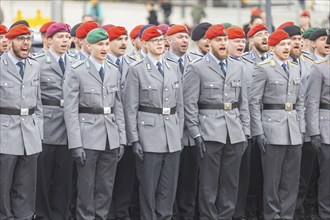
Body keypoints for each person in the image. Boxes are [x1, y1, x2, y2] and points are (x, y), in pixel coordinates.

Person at [184, 24, 250, 220]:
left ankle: (226, 216)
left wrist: (245, 131)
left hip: (234, 131)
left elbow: (243, 102)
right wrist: (195, 133)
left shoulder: (237, 67)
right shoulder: (197, 68)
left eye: (224, 40)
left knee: (231, 182)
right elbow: (190, 104)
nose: (222, 43)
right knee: (209, 183)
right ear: (209, 43)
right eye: (218, 40)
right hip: (209, 131)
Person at [63, 28, 126, 219]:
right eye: (100, 44)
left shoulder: (113, 70)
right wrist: (75, 144)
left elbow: (118, 106)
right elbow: (70, 110)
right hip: (87, 137)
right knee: (86, 187)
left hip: (110, 137)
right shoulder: (77, 70)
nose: (104, 48)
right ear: (89, 46)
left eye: (106, 44)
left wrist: (121, 138)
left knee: (106, 187)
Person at [123, 26, 184, 220]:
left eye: (161, 41)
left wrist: (179, 133)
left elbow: (180, 105)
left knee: (168, 186)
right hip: (148, 135)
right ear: (145, 45)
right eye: (155, 42)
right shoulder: (137, 70)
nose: (159, 45)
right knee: (148, 187)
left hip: (171, 135)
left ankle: (164, 216)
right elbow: (130, 108)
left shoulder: (173, 67)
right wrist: (134, 140)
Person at [249, 29, 305, 220]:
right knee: (272, 181)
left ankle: (287, 215)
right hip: (272, 128)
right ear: (272, 47)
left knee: (291, 179)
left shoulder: (295, 67)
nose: (287, 48)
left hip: (293, 129)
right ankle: (272, 215)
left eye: (288, 44)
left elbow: (301, 101)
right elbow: (254, 102)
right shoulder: (263, 68)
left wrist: (302, 128)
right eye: (282, 45)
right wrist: (258, 131)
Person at [33, 22, 78, 220]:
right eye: (60, 37)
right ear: (49, 40)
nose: (65, 41)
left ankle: (60, 215)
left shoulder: (75, 62)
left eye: (67, 38)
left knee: (64, 179)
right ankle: (43, 215)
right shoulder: (38, 62)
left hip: (69, 129)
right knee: (43, 178)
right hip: (47, 126)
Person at [0, 24, 43, 220]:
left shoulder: (35, 65)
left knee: (26, 185)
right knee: (4, 184)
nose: (25, 43)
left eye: (28, 39)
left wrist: (39, 131)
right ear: (10, 42)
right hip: (5, 133)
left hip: (30, 132)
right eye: (20, 39)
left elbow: (38, 102)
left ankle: (24, 216)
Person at [105, 25, 137, 220]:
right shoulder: (103, 64)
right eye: (118, 39)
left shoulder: (134, 64)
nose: (123, 43)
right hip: (108, 127)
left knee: (127, 177)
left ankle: (123, 214)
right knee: (107, 178)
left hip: (130, 128)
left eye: (125, 39)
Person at [306, 44, 330, 220]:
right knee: (326, 175)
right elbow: (312, 101)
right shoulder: (319, 67)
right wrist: (314, 131)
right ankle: (325, 212)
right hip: (326, 127)